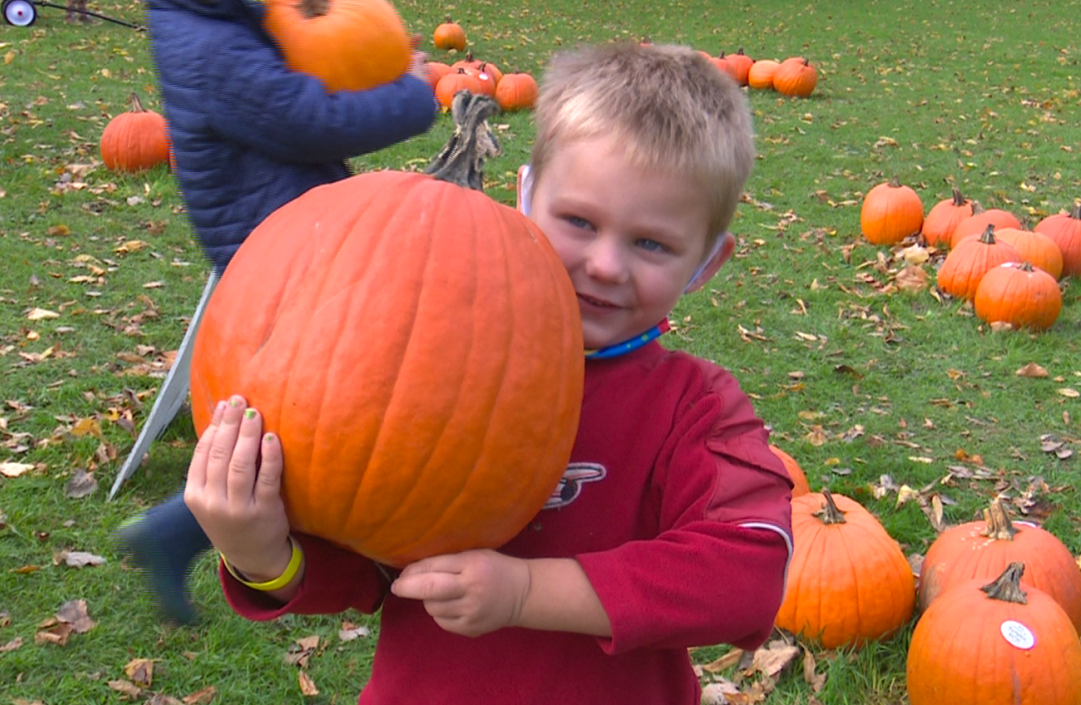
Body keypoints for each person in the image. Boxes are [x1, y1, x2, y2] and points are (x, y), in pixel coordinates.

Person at [184, 42, 794, 705]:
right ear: (527, 195)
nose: (608, 265)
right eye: (580, 221)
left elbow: (746, 575)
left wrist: (527, 591)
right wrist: (260, 554)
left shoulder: (693, 405)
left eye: (651, 243)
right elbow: (365, 564)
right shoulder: (424, 363)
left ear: (707, 261)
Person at [116, 0, 438, 625]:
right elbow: (307, 119)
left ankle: (177, 529)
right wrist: (411, 96)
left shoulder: (217, 24)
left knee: (304, 409)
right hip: (272, 244)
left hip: (284, 226)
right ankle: (175, 529)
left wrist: (373, 56)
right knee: (308, 416)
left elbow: (302, 77)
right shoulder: (214, 50)